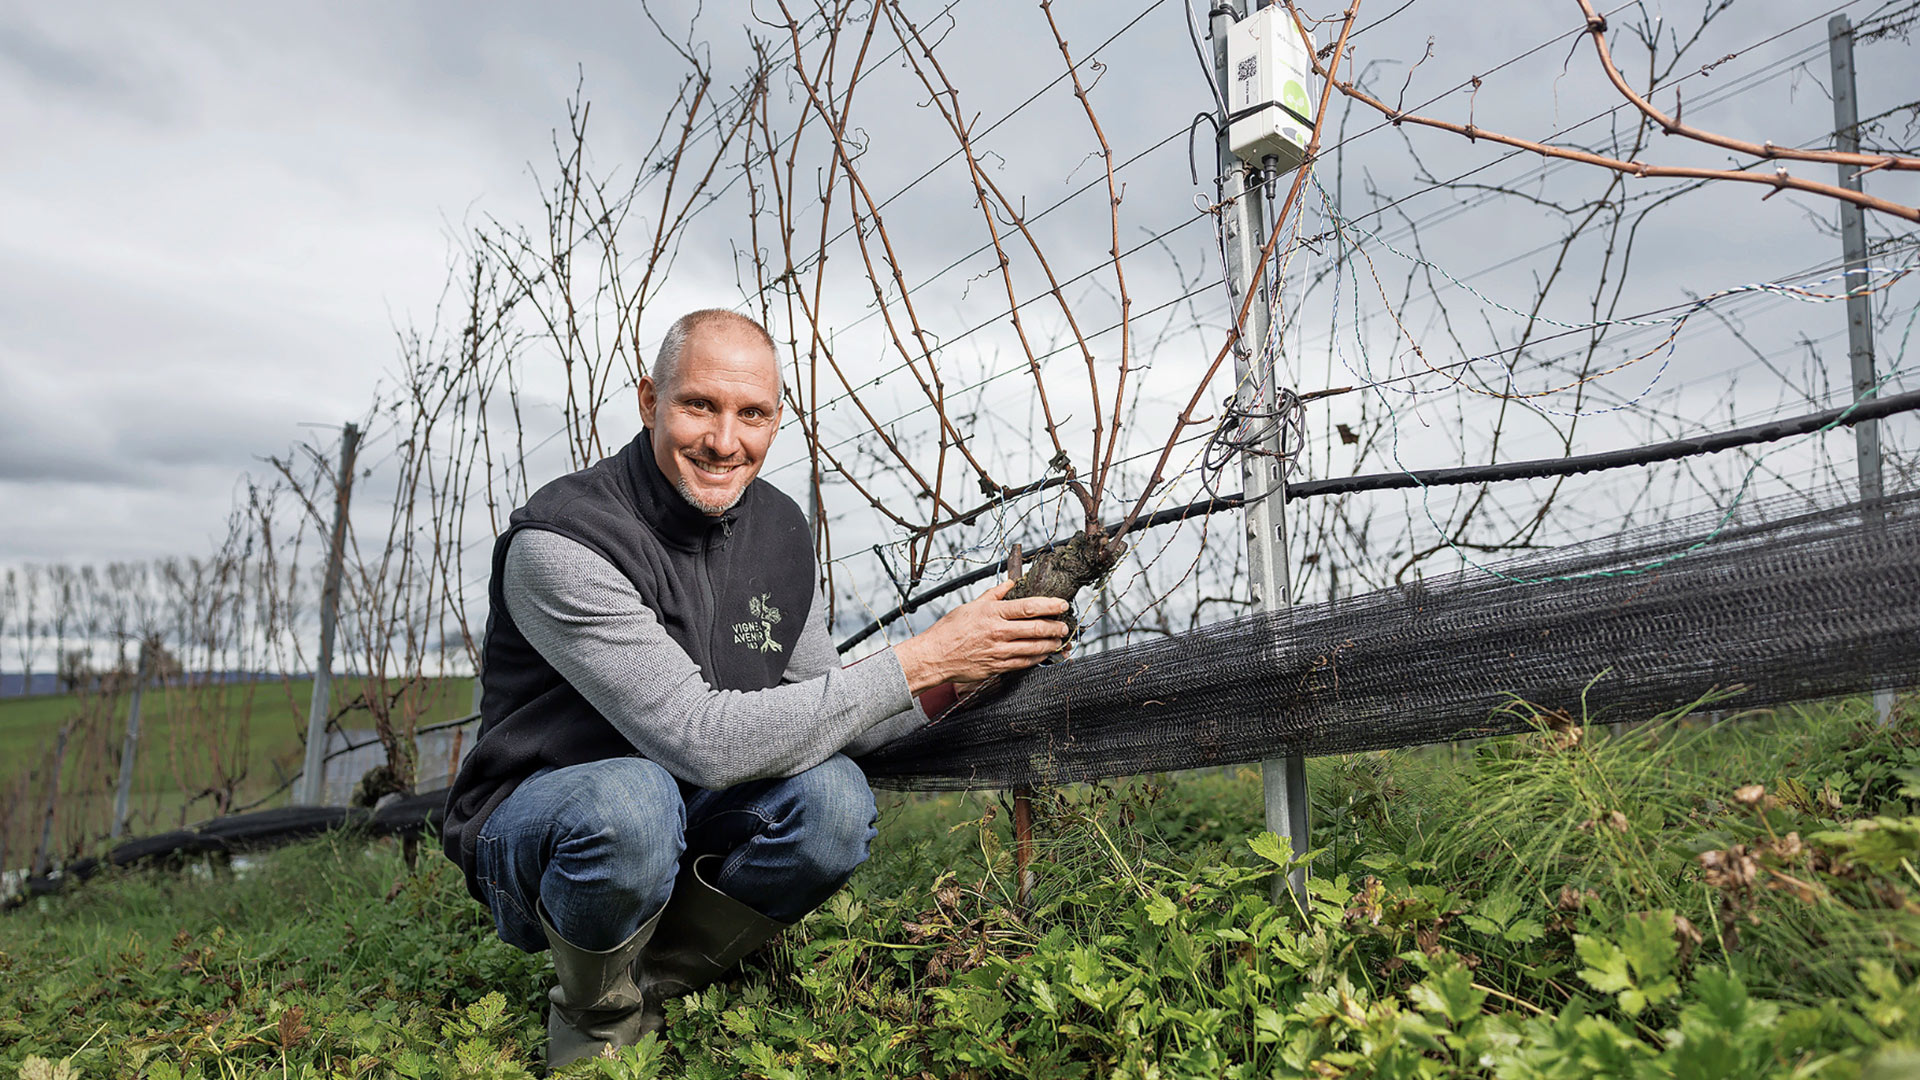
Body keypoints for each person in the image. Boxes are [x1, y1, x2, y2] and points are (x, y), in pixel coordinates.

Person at [441, 308, 1070, 1067]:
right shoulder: (563, 543)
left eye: (753, 414)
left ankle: (655, 982)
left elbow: (840, 714)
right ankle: (596, 1024)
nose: (724, 441)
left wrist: (969, 670)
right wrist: (924, 657)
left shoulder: (778, 530)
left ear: (778, 421)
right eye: (698, 405)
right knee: (632, 801)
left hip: (682, 808)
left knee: (834, 799)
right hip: (543, 827)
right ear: (649, 401)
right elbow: (698, 739)